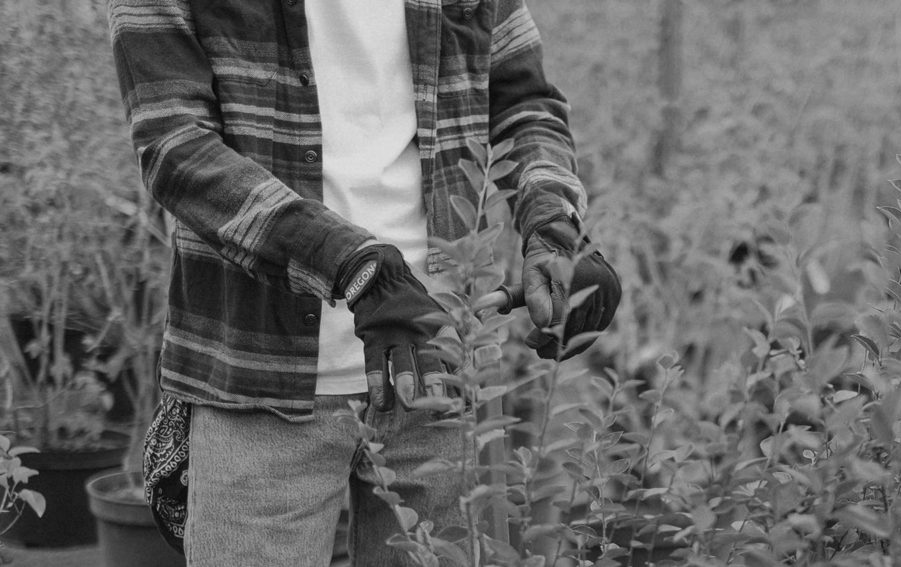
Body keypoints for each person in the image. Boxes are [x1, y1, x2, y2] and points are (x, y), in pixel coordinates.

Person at [106, 1, 621, 565]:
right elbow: (175, 146)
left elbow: (525, 103)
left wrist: (553, 222)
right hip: (257, 377)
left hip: (446, 365)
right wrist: (353, 265)